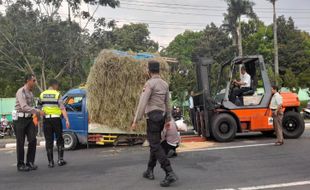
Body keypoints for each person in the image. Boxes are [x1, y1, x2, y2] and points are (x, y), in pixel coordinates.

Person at [131, 60, 178, 187]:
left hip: (152, 117)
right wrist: (168, 119)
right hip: (161, 117)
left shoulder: (149, 84)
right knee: (155, 144)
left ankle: (169, 172)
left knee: (155, 145)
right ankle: (149, 170)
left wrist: (136, 120)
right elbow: (168, 104)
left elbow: (142, 102)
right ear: (159, 70)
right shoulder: (164, 84)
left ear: (149, 71)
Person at [14, 74, 44, 172]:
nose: (35, 83)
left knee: (32, 140)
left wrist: (37, 118)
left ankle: (30, 162)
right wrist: (38, 111)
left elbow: (32, 108)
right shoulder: (21, 91)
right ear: (28, 80)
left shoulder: (31, 93)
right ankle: (21, 164)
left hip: (30, 119)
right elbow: (24, 107)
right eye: (34, 80)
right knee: (21, 142)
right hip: (20, 119)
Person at [39, 79, 70, 168]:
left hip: (46, 120)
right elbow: (62, 108)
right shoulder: (57, 94)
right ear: (55, 85)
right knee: (59, 139)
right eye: (57, 86)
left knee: (48, 141)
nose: (58, 87)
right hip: (56, 120)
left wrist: (39, 118)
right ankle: (60, 160)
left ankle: (50, 162)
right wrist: (67, 119)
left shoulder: (42, 94)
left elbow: (38, 108)